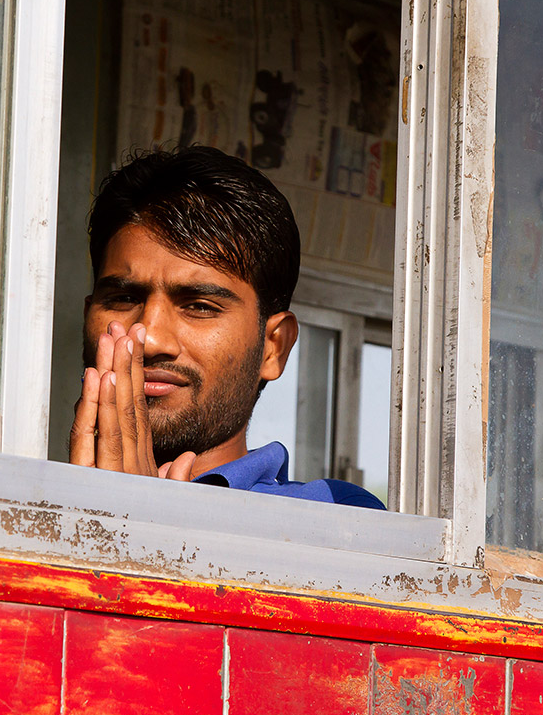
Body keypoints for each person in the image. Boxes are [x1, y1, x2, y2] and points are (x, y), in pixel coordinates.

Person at [69, 146, 385, 510]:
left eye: (200, 306)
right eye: (123, 299)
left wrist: (138, 527)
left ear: (273, 347)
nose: (150, 337)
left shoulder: (335, 518)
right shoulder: (19, 506)